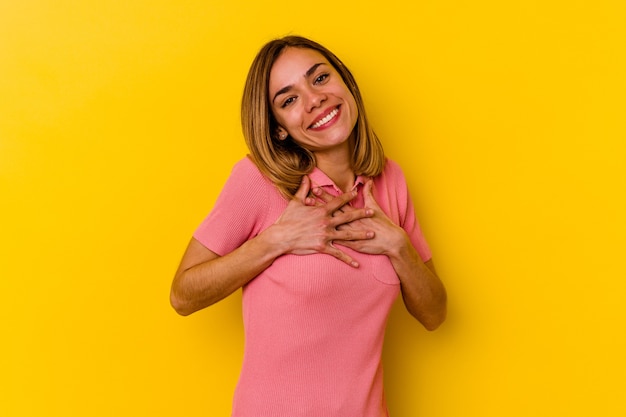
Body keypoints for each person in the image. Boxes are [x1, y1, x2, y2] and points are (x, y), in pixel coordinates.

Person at [170, 35, 447, 417]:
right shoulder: (258, 181)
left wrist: (399, 247)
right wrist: (276, 240)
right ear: (279, 128)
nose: (314, 99)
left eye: (319, 79)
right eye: (289, 99)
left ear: (346, 83)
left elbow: (434, 314)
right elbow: (183, 295)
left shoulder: (389, 179)